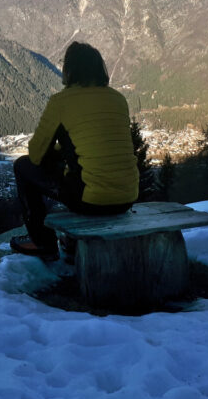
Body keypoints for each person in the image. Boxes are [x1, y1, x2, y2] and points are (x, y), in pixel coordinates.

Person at [10, 41, 139, 259]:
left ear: (69, 70)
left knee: (22, 166)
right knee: (79, 169)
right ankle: (71, 240)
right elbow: (100, 146)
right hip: (127, 196)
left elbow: (36, 155)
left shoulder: (61, 102)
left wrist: (57, 154)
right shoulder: (118, 99)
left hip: (91, 200)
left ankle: (42, 243)